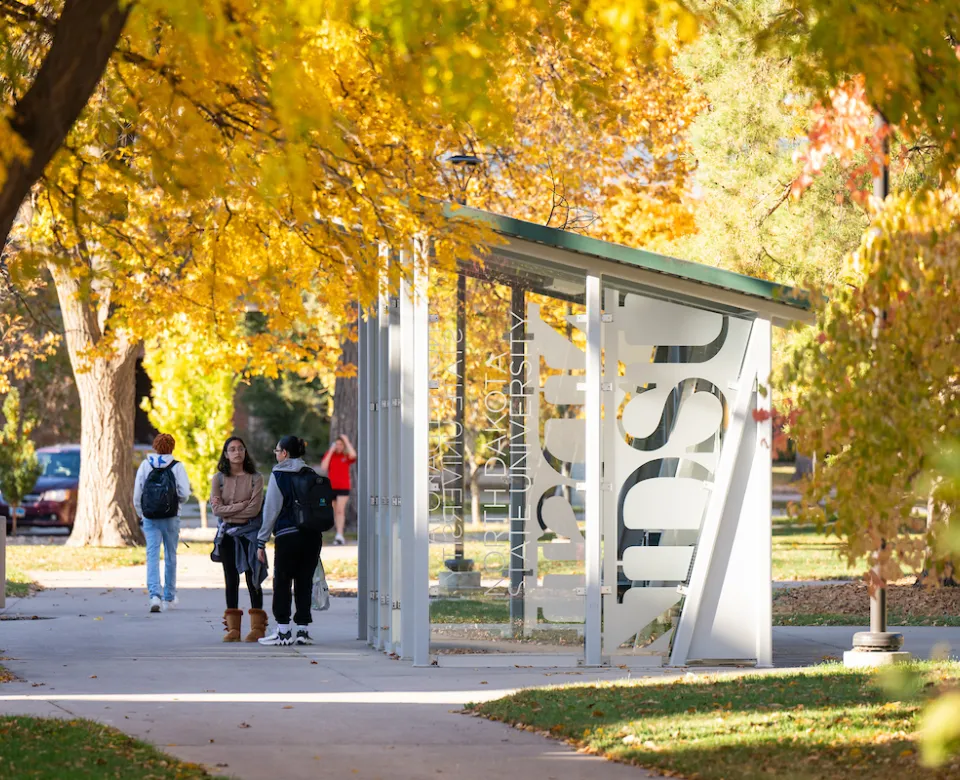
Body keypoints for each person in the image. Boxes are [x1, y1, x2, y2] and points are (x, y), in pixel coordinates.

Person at [257, 436, 323, 646]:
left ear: (284, 453)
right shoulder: (311, 474)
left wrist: (261, 541)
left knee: (283, 582)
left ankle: (284, 631)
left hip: (287, 535)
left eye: (277, 451)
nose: (276, 454)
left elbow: (271, 510)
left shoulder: (278, 475)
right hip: (312, 536)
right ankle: (302, 630)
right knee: (304, 581)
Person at [209, 436, 268, 642]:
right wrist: (241, 505)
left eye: (240, 449)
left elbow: (255, 509)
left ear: (245, 452)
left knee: (254, 578)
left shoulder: (256, 478)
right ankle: (233, 630)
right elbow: (217, 510)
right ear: (226, 454)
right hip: (227, 536)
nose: (237, 452)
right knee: (231, 579)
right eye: (232, 449)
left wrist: (231, 511)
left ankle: (257, 628)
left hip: (251, 535)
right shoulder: (219, 479)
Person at [134, 433, 191, 613]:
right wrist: (175, 505)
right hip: (171, 517)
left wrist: (142, 513)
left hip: (150, 517)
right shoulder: (177, 466)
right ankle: (169, 597)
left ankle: (154, 596)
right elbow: (185, 493)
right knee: (170, 556)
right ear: (172, 447)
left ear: (155, 447)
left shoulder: (145, 465)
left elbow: (138, 493)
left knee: (152, 555)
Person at [319, 434, 357, 545]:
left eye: (341, 444)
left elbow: (354, 455)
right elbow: (323, 467)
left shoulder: (346, 456)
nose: (339, 446)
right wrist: (331, 450)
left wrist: (347, 441)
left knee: (340, 510)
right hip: (331, 487)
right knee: (335, 512)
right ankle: (338, 534)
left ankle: (340, 534)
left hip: (343, 487)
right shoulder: (331, 455)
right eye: (337, 444)